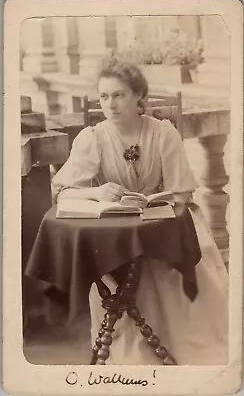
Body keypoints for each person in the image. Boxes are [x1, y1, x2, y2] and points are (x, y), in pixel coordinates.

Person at [52, 56, 228, 365]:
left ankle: (174, 343)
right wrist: (97, 191)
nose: (111, 104)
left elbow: (181, 192)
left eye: (119, 95)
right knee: (117, 268)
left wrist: (156, 203)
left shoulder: (163, 133)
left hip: (163, 227)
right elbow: (62, 189)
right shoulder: (93, 138)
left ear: (138, 96)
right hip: (116, 233)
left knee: (176, 279)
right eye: (104, 96)